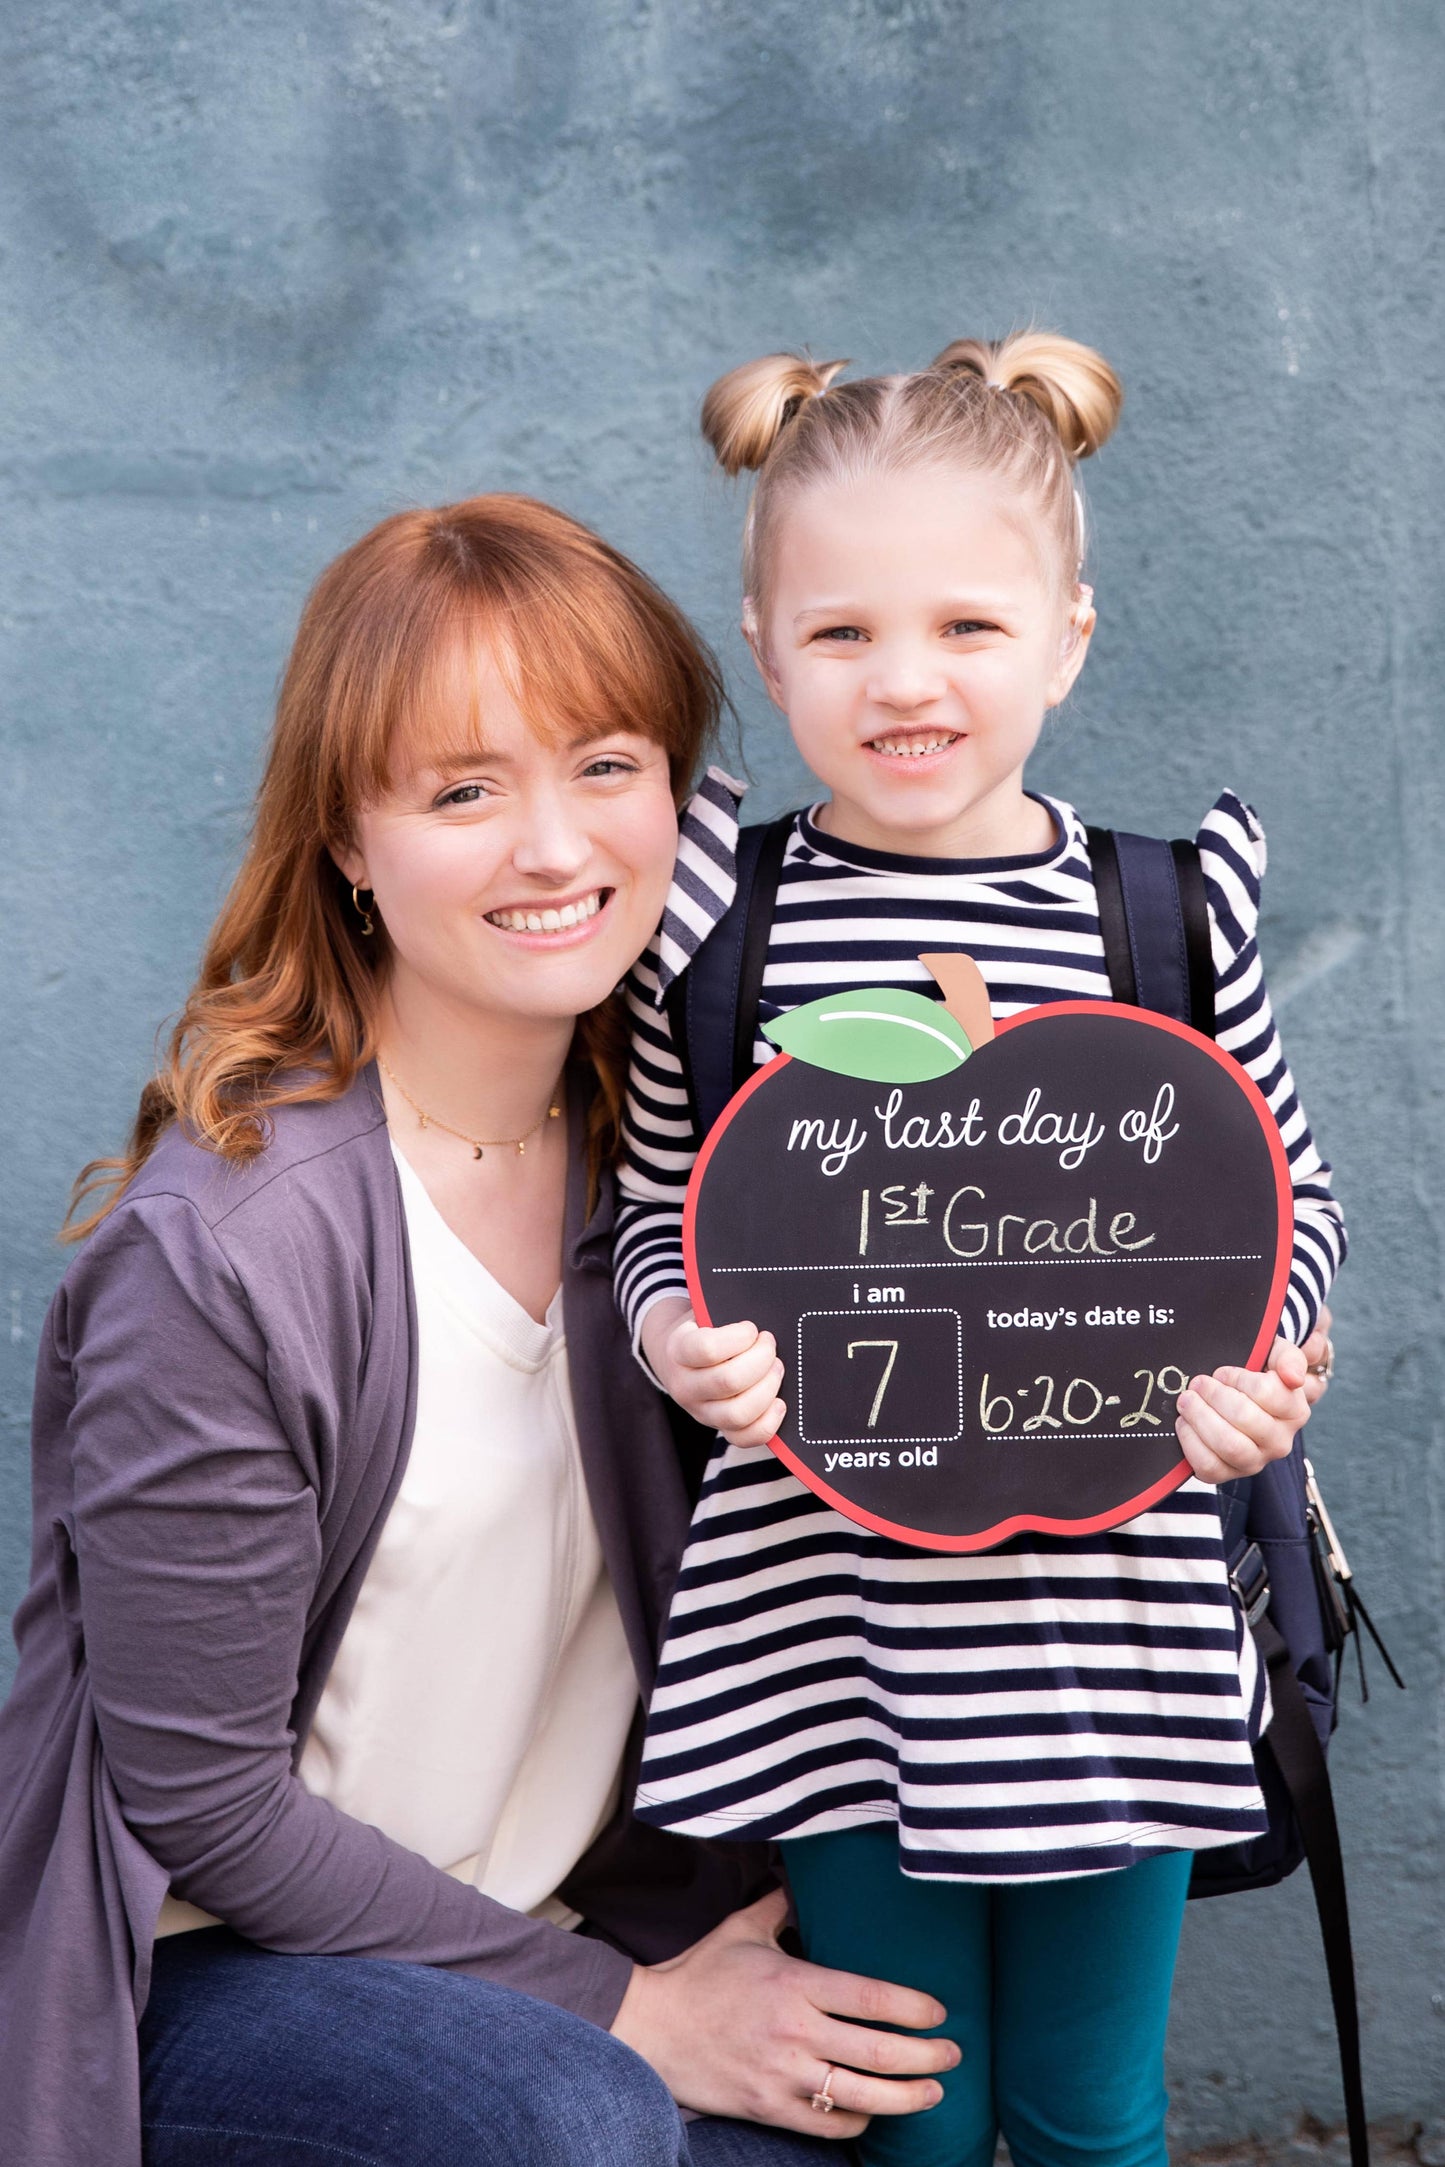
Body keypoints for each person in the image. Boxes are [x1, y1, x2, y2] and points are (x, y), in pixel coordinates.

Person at [0, 493, 964, 2167]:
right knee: (566, 2120)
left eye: (605, 765)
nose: (553, 848)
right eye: (463, 791)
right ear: (348, 848)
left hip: (563, 1929)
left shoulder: (684, 1178)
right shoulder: (229, 1253)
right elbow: (204, 1809)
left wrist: (1220, 1361)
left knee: (851, 2108)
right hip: (218, 1973)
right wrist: (627, 2011)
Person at [614, 336, 1345, 2167]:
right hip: (829, 1633)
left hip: (1112, 1637)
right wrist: (672, 1341)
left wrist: (1270, 1370)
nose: (906, 681)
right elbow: (649, 1203)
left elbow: (1285, 1202)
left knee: (1089, 2116)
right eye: (843, 633)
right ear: (768, 648)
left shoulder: (1158, 913)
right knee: (905, 2122)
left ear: (1069, 636)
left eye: (967, 626)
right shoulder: (721, 918)